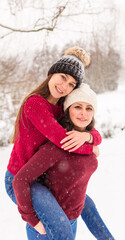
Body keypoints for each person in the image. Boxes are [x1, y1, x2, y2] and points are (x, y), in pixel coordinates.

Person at [4, 46, 113, 239]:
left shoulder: (62, 107)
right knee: (62, 232)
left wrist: (90, 138)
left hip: (41, 176)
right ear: (52, 73)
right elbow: (63, 140)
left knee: (85, 205)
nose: (65, 86)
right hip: (20, 179)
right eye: (63, 77)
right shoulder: (35, 104)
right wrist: (33, 220)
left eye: (71, 84)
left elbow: (88, 130)